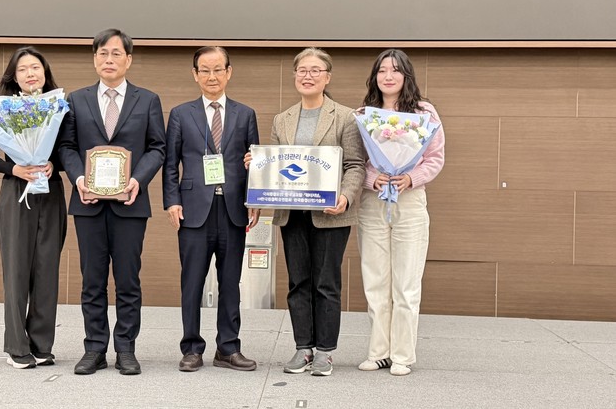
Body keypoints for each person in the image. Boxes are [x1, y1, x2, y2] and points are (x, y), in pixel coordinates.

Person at [248, 47, 365, 376]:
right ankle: (303, 348)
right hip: (292, 214)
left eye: (315, 70)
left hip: (331, 214)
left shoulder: (345, 117)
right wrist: (257, 164)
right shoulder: (282, 119)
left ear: (327, 78)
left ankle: (325, 351)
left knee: (326, 282)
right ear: (295, 76)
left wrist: (345, 197)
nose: (308, 76)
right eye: (302, 70)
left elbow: (355, 165)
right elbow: (275, 167)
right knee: (298, 281)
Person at [58, 29, 166, 376]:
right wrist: (79, 179)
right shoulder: (76, 100)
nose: (109, 59)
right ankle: (94, 348)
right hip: (87, 203)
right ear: (94, 59)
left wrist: (137, 180)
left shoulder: (147, 100)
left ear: (128, 60)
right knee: (92, 280)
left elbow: (157, 148)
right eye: (103, 53)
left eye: (116, 53)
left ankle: (125, 349)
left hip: (130, 204)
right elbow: (66, 147)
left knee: (127, 280)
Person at [163, 47, 260, 372]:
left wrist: (254, 200)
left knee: (230, 282)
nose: (212, 76)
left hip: (232, 209)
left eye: (218, 69)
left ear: (229, 72)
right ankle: (191, 348)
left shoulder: (246, 114)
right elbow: (170, 163)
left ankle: (228, 348)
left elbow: (255, 164)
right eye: (205, 70)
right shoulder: (181, 114)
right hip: (193, 210)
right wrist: (172, 200)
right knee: (192, 282)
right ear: (195, 75)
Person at [356, 49, 445, 376]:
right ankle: (379, 352)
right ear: (375, 77)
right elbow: (355, 160)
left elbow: (435, 158)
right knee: (375, 280)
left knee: (406, 283)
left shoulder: (424, 113)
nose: (388, 76)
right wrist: (372, 178)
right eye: (382, 70)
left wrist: (411, 178)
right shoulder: (364, 114)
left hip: (409, 201)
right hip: (373, 202)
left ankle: (402, 356)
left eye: (395, 70)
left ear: (407, 76)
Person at [0, 46, 67, 369]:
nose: (31, 73)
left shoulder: (60, 107)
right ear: (14, 77)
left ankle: (42, 345)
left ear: (45, 73)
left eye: (36, 67)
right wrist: (15, 168)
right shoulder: (1, 109)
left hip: (51, 192)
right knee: (16, 271)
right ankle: (16, 347)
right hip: (16, 192)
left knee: (47, 270)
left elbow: (68, 149)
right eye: (23, 69)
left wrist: (54, 165)